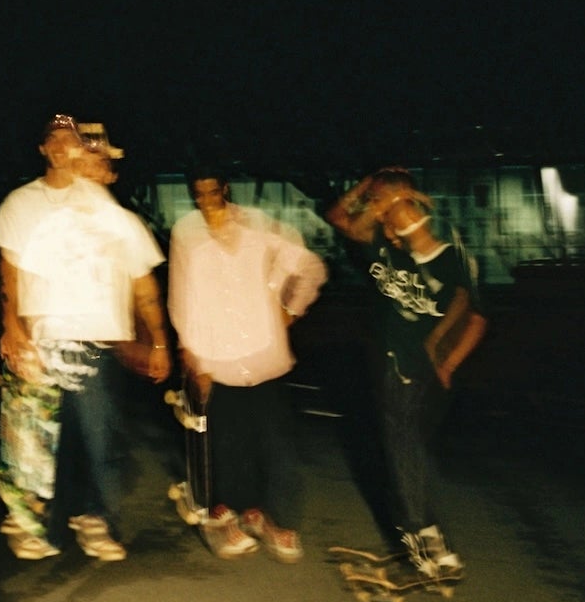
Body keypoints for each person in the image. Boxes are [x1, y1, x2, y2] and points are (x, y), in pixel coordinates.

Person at [0, 115, 169, 562]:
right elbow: (12, 270)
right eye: (56, 140)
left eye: (80, 146)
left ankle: (96, 519)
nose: (70, 151)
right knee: (35, 441)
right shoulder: (31, 208)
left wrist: (159, 341)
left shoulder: (118, 218)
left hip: (97, 342)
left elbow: (143, 284)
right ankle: (34, 524)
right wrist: (13, 327)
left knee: (99, 438)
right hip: (43, 337)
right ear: (46, 149)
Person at [325, 170, 487, 576]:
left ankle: (421, 533)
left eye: (385, 210)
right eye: (378, 211)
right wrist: (369, 185)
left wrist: (448, 363)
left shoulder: (450, 259)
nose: (378, 218)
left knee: (407, 450)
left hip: (427, 374)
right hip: (393, 368)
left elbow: (476, 319)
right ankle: (424, 535)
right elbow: (340, 218)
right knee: (403, 449)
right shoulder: (385, 251)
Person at [168, 172, 327, 562]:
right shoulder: (186, 233)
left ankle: (279, 520)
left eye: (212, 191)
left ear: (225, 189)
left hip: (264, 356)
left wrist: (290, 311)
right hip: (216, 356)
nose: (206, 200)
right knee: (226, 443)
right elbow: (181, 296)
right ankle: (238, 514)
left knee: (277, 445)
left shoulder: (259, 225)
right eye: (198, 194)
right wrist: (191, 352)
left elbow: (309, 267)